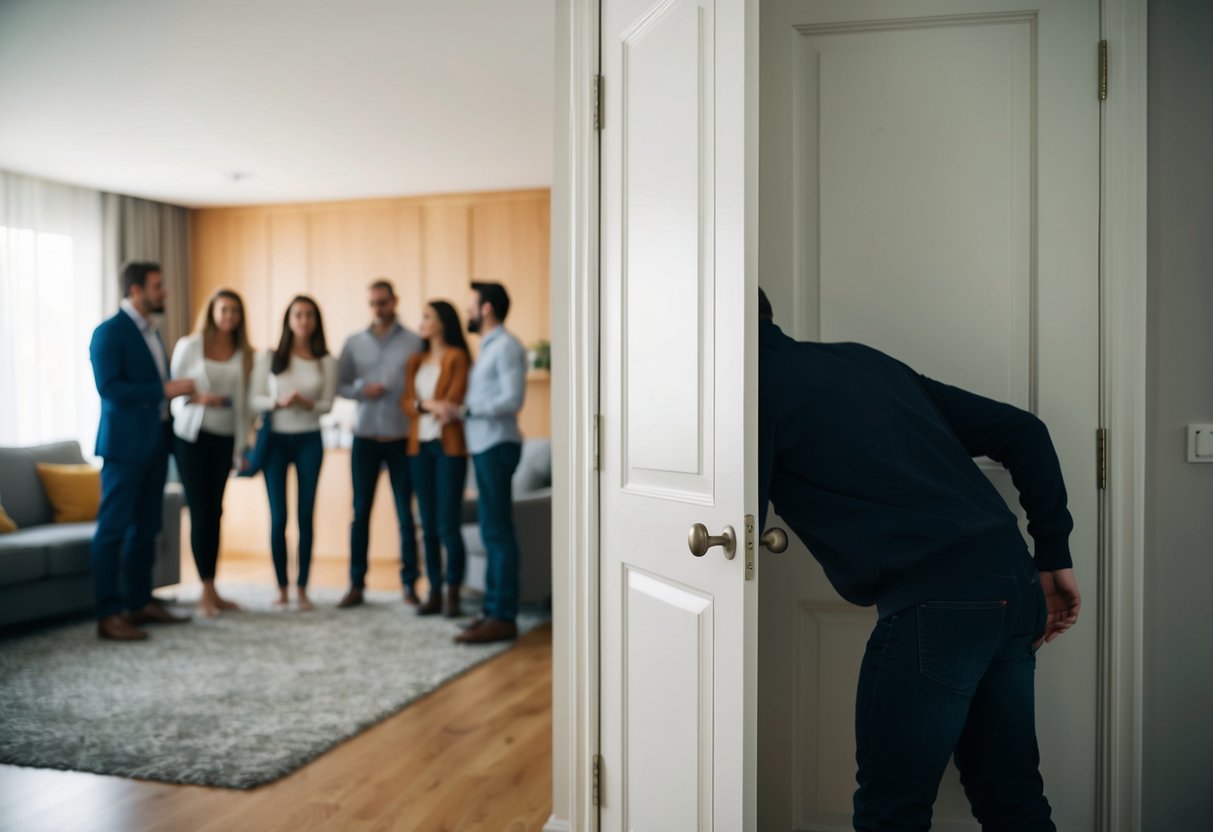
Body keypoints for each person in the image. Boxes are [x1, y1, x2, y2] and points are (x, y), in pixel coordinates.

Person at [755, 288, 1081, 831]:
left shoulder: (751, 389)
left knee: (892, 814)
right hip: (1013, 583)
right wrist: (1054, 556)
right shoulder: (863, 361)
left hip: (942, 606)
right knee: (1013, 800)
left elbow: (737, 520)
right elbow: (1025, 431)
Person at [88, 261, 195, 641]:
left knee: (147, 527)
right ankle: (108, 613)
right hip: (122, 448)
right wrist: (162, 390)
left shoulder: (152, 332)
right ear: (135, 290)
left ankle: (139, 601)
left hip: (155, 444)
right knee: (113, 529)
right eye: (157, 286)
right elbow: (110, 389)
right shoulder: (108, 333)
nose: (163, 292)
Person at [431, 281, 527, 644]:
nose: (468, 311)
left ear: (486, 308)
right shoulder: (487, 348)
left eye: (472, 305)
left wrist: (464, 410)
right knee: (491, 530)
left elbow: (512, 399)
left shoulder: (505, 346)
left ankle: (503, 616)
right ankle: (491, 610)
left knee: (498, 532)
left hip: (497, 445)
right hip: (485, 445)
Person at [335, 280, 424, 608]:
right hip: (365, 437)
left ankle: (410, 584)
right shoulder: (354, 343)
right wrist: (360, 389)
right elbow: (340, 385)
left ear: (394, 301)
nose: (378, 308)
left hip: (402, 438)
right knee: (360, 513)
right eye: (372, 303)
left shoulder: (415, 342)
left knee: (406, 514)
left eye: (383, 302)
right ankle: (356, 584)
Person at [169, 288, 254, 618]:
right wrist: (197, 398)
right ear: (212, 312)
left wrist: (243, 445)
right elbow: (173, 392)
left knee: (215, 511)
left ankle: (213, 587)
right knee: (201, 510)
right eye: (224, 309)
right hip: (191, 437)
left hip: (224, 437)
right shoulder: (190, 346)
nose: (229, 315)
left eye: (235, 310)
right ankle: (204, 591)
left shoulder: (244, 352)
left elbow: (243, 401)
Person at [250, 295, 338, 611]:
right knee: (279, 517)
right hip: (275, 441)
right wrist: (278, 402)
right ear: (289, 320)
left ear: (316, 321)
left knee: (305, 515)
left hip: (310, 441)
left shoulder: (326, 360)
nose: (303, 320)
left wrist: (308, 404)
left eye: (310, 315)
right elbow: (254, 399)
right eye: (298, 314)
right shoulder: (270, 357)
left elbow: (329, 405)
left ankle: (302, 588)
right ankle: (281, 587)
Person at [401, 300, 472, 618]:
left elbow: (453, 401)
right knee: (426, 525)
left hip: (449, 448)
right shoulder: (416, 360)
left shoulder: (457, 357)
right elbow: (406, 403)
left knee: (447, 524)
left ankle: (453, 594)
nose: (422, 322)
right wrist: (427, 405)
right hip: (420, 448)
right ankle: (433, 592)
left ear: (443, 322)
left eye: (427, 317)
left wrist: (422, 404)